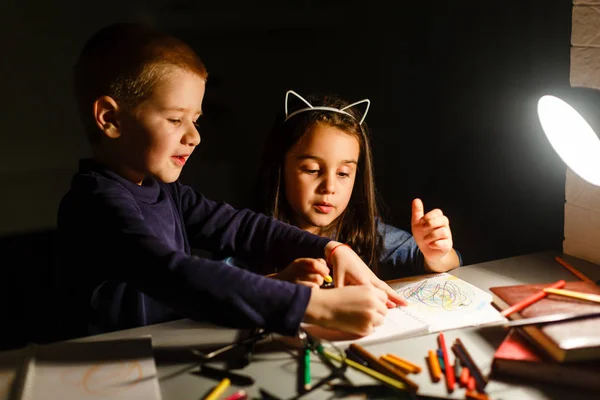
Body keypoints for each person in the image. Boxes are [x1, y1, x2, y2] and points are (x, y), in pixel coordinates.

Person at [54, 23, 404, 340]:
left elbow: (241, 227)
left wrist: (330, 249)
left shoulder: (165, 192)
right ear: (110, 118)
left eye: (196, 120)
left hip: (162, 350)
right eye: (176, 119)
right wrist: (315, 305)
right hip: (109, 374)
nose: (194, 137)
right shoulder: (96, 204)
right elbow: (175, 276)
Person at [249, 90, 462, 282]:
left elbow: (449, 261)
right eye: (312, 170)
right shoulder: (246, 235)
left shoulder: (367, 233)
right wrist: (278, 285)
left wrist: (437, 254)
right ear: (279, 168)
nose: (329, 187)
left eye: (343, 173)